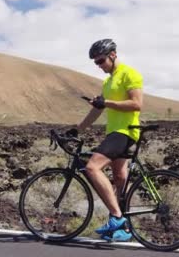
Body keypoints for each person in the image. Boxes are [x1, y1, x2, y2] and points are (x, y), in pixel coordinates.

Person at [66, 38, 143, 242]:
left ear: (113, 55)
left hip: (125, 132)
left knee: (92, 168)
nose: (99, 66)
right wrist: (77, 129)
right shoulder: (108, 81)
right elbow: (98, 109)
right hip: (114, 132)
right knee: (119, 177)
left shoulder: (129, 73)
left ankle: (117, 217)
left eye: (101, 61)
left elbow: (137, 104)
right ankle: (123, 229)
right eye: (95, 63)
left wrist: (106, 101)